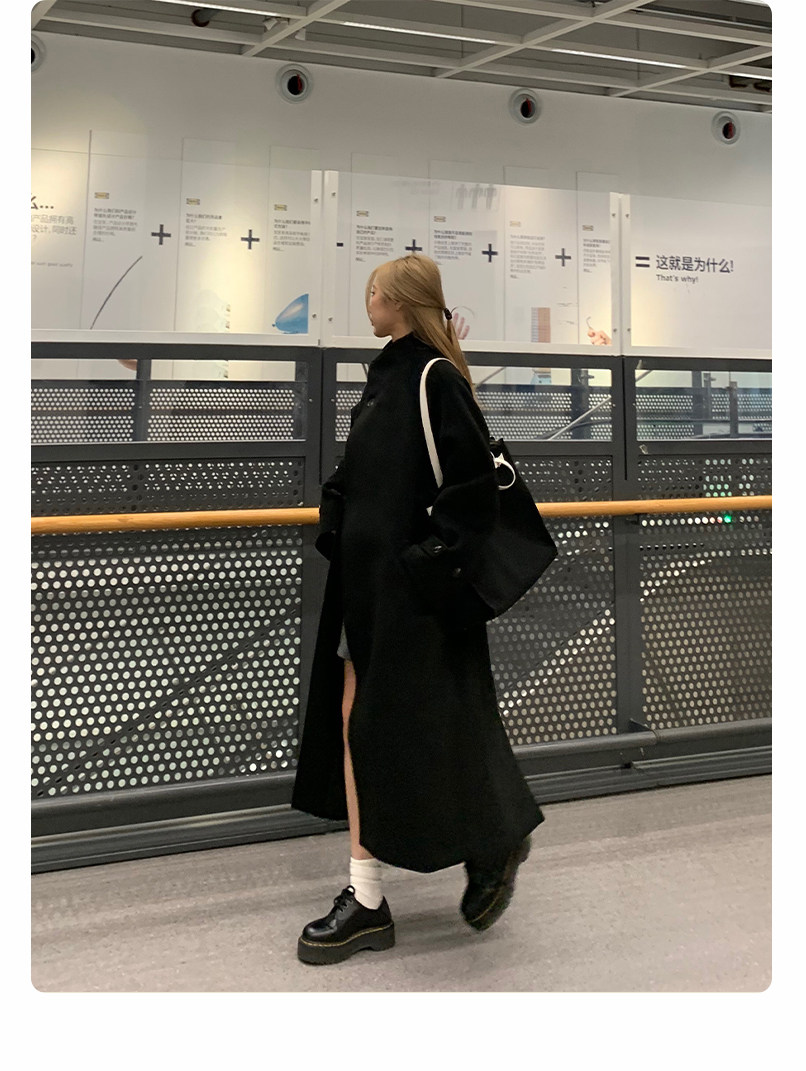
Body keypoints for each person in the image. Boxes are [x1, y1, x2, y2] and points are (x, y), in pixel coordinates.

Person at [291, 254, 544, 966]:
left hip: (410, 596)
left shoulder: (432, 378)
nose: (366, 301)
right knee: (370, 723)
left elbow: (470, 489)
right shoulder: (389, 378)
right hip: (370, 590)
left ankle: (474, 846)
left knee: (425, 722)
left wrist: (419, 566)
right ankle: (374, 891)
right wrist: (343, 517)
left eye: (373, 291)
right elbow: (375, 479)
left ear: (398, 301)